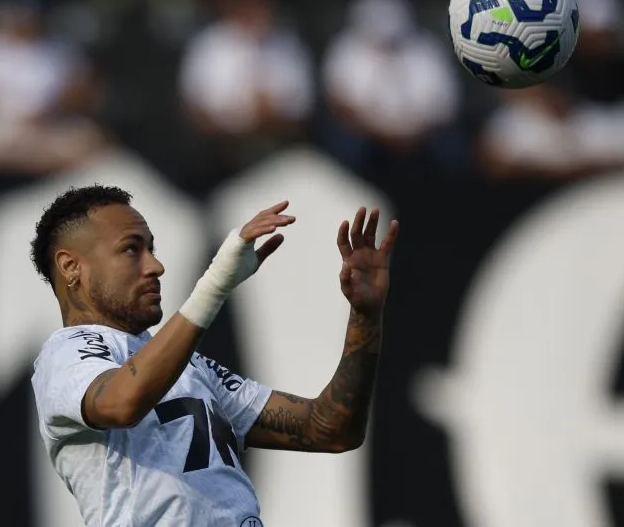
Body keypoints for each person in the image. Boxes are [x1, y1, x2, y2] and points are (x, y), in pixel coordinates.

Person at [30, 185, 398, 525]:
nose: (155, 266)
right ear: (70, 266)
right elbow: (121, 403)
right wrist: (216, 283)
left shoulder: (190, 367)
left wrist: (364, 316)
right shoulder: (65, 354)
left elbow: (330, 429)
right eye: (131, 249)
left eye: (152, 249)